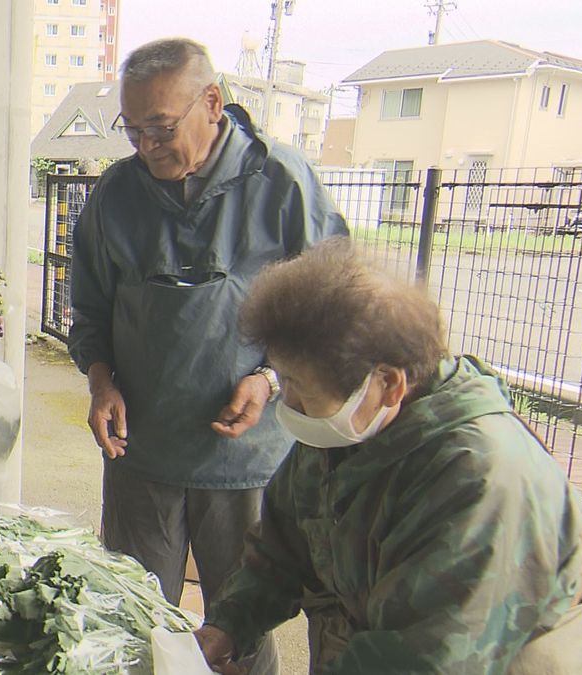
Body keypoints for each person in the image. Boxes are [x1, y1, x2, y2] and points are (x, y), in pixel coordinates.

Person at [67, 37, 347, 672]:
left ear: (212, 103)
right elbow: (90, 311)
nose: (146, 145)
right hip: (142, 450)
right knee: (137, 620)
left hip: (247, 458)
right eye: (132, 129)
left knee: (241, 625)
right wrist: (101, 383)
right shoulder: (116, 194)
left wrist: (272, 379)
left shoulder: (282, 182)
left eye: (161, 127)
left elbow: (332, 311)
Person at [197, 239, 582, 674]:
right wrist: (228, 626)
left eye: (301, 390)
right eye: (283, 381)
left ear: (387, 384)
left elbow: (424, 657)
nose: (288, 405)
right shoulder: (345, 429)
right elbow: (283, 547)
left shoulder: (483, 481)